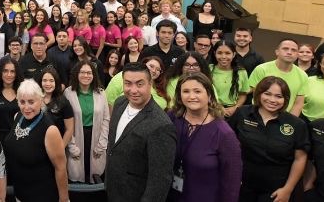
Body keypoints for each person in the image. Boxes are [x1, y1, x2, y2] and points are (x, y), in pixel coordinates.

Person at [228, 76, 309, 202]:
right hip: (243, 186)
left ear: (285, 99)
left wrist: (288, 189)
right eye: (267, 94)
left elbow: (300, 159)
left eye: (279, 96)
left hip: (276, 191)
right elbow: (227, 146)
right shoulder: (242, 113)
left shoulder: (297, 124)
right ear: (259, 94)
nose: (272, 100)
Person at [104, 62, 176, 201]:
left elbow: (160, 180)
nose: (133, 90)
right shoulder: (120, 103)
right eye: (128, 83)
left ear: (150, 84)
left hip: (136, 195)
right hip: (113, 189)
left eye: (139, 84)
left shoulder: (161, 125)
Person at [167, 73, 242, 202]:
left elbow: (231, 183)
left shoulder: (224, 134)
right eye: (186, 91)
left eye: (197, 91)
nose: (191, 96)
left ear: (209, 95)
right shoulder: (172, 118)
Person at [3, 79, 69, 202]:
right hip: (20, 193)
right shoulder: (18, 117)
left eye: (31, 102)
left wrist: (64, 199)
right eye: (22, 102)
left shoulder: (50, 130)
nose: (26, 107)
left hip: (42, 195)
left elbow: (61, 168)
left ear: (41, 100)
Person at [63, 61, 110, 183]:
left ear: (94, 75)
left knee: (95, 173)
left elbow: (106, 119)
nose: (86, 75)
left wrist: (102, 143)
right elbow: (65, 122)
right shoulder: (68, 93)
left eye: (89, 73)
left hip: (95, 136)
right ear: (77, 74)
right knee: (77, 171)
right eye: (82, 72)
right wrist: (71, 146)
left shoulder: (101, 93)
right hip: (76, 136)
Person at [248, 39, 309, 116]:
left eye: (293, 50)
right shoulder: (261, 69)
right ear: (277, 52)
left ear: (297, 55)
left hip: (283, 119)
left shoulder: (303, 75)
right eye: (285, 49)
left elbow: (298, 104)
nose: (289, 52)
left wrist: (288, 122)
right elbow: (256, 96)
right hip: (258, 115)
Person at [208, 41, 250, 116]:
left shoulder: (241, 72)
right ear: (214, 54)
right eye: (219, 53)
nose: (223, 57)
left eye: (227, 53)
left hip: (233, 113)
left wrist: (235, 107)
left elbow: (243, 94)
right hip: (211, 110)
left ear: (233, 54)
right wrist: (218, 107)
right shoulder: (208, 69)